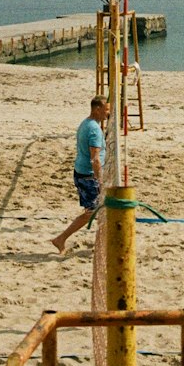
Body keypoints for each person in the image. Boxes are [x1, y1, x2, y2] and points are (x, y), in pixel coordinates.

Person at [50, 96, 109, 254]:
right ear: (97, 109)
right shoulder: (94, 130)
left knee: (95, 211)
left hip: (81, 172)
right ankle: (61, 239)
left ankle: (99, 242)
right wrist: (100, 180)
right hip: (88, 176)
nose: (108, 113)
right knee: (92, 212)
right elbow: (94, 159)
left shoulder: (87, 123)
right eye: (106, 110)